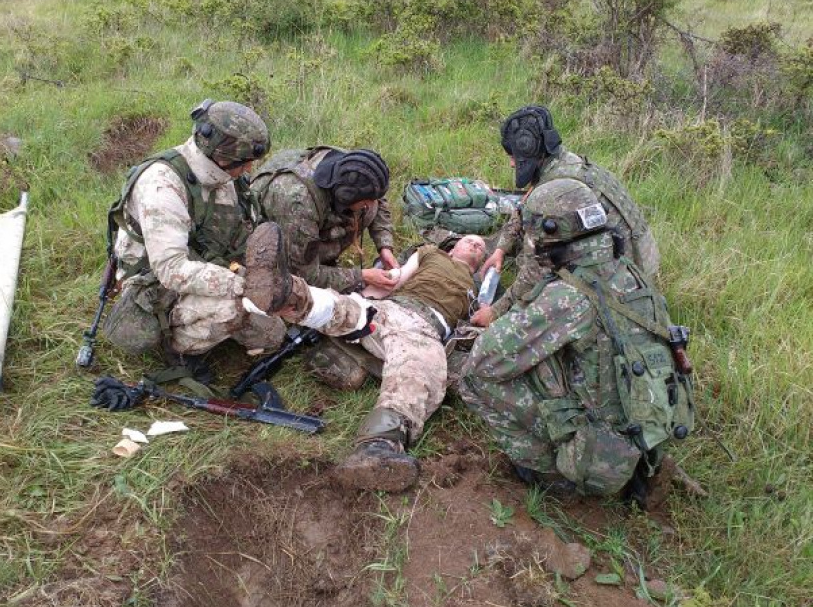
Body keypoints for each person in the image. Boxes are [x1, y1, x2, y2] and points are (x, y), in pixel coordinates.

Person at [458, 178, 694, 504]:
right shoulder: (630, 272)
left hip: (600, 456)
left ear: (549, 233)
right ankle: (637, 465)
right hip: (648, 431)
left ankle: (553, 473)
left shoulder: (569, 296)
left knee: (474, 377)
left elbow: (486, 359)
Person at [240, 222, 487, 493]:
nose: (476, 244)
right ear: (453, 247)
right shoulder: (431, 253)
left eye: (481, 246)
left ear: (481, 262)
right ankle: (284, 292)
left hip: (425, 328)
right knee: (346, 310)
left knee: (419, 368)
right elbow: (396, 279)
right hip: (393, 308)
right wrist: (362, 298)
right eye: (470, 240)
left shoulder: (477, 289)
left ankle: (376, 448)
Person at [103, 99, 285, 368]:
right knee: (240, 312)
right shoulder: (162, 187)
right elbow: (170, 269)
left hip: (204, 261)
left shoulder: (223, 175)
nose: (249, 170)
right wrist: (242, 285)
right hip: (157, 283)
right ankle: (178, 344)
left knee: (272, 332)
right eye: (245, 163)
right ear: (222, 157)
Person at [472, 104, 660, 328]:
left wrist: (495, 312)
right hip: (638, 268)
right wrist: (501, 249)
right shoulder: (566, 164)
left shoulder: (554, 193)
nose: (512, 163)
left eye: (513, 156)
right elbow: (523, 207)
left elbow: (534, 271)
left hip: (622, 291)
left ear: (527, 151)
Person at [251, 146, 400, 294]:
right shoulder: (300, 204)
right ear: (347, 196)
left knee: (369, 211)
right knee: (296, 278)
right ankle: (323, 266)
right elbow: (304, 275)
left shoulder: (353, 168)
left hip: (299, 215)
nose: (371, 205)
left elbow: (378, 199)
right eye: (366, 202)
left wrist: (385, 246)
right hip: (274, 229)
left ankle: (327, 266)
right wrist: (361, 276)